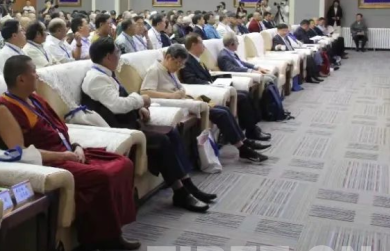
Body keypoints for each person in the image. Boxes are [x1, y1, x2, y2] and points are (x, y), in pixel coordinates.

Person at [0, 56, 139, 251]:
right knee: (99, 177)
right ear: (21, 79)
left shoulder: (35, 99)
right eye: (34, 72)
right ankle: (88, 248)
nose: (38, 75)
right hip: (50, 161)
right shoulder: (4, 108)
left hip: (68, 152)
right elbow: (20, 152)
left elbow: (59, 130)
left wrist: (76, 147)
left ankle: (111, 234)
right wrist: (66, 155)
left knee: (123, 164)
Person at [79, 38, 215, 212]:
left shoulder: (105, 74)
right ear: (108, 57)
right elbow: (117, 105)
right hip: (116, 129)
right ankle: (180, 192)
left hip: (127, 121)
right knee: (161, 141)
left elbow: (121, 99)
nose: (119, 56)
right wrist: (141, 100)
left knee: (171, 133)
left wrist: (139, 108)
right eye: (117, 52)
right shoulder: (96, 79)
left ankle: (187, 184)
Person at [142, 43, 269, 163]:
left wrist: (184, 92)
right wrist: (171, 95)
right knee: (221, 114)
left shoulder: (170, 71)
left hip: (188, 98)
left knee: (223, 109)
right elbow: (145, 92)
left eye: (181, 64)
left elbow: (180, 87)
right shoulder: (155, 70)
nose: (178, 67)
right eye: (177, 63)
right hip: (178, 105)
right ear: (168, 57)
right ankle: (243, 148)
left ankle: (244, 141)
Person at [181, 34, 270, 142]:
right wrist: (212, 84)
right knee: (242, 97)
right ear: (193, 45)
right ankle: (250, 131)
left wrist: (219, 80)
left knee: (245, 94)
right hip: (203, 93)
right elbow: (191, 80)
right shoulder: (187, 61)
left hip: (212, 88)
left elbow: (208, 75)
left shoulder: (197, 59)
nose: (204, 46)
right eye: (201, 43)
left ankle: (251, 129)